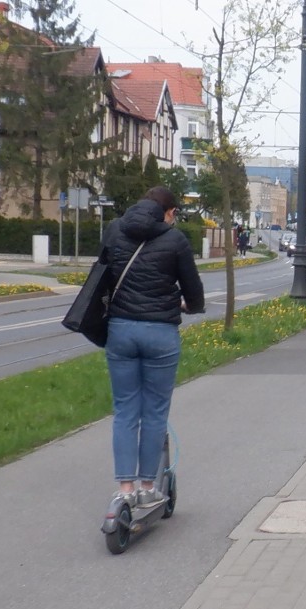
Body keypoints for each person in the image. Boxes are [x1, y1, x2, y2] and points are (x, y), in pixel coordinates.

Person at [101, 186, 205, 507]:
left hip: (120, 331)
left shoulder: (114, 230)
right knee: (155, 411)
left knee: (125, 410)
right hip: (160, 333)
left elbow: (102, 276)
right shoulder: (175, 240)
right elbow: (193, 289)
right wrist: (192, 306)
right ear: (170, 212)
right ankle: (148, 486)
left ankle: (125, 489)